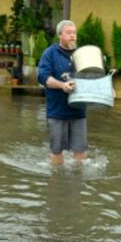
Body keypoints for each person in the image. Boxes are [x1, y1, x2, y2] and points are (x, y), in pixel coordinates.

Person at [37, 19, 88, 165]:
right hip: (57, 111)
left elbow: (94, 74)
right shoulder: (50, 54)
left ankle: (77, 181)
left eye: (74, 33)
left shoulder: (81, 54)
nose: (73, 36)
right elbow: (43, 77)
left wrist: (107, 88)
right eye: (68, 33)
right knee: (56, 151)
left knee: (81, 150)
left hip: (78, 111)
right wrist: (62, 85)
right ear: (60, 35)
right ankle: (57, 181)